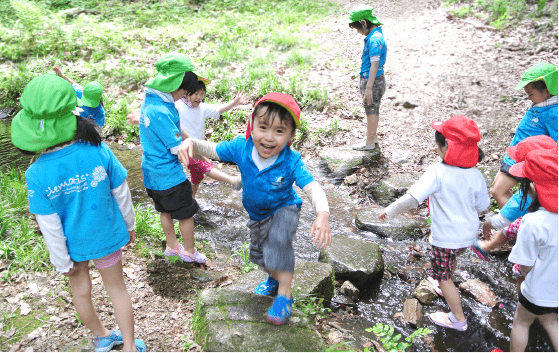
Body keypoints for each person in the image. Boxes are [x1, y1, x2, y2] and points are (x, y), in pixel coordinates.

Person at [10, 74, 145, 352]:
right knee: (117, 288)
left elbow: (49, 225)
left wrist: (61, 261)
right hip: (105, 235)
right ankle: (130, 347)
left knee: (81, 291)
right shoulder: (99, 149)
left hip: (72, 247)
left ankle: (102, 336)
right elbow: (122, 191)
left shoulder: (36, 174)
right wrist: (129, 225)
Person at [182, 92, 332, 325]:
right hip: (257, 214)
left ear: (291, 135)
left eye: (279, 131)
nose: (269, 138)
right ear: (252, 125)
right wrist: (191, 142)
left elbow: (313, 188)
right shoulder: (242, 148)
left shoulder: (291, 161)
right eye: (263, 127)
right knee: (260, 257)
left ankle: (284, 296)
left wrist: (322, 213)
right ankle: (274, 278)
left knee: (279, 245)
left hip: (285, 208)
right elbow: (212, 150)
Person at [379, 115, 490, 331]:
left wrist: (390, 210)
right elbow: (483, 206)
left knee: (443, 274)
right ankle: (444, 283)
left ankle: (458, 319)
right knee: (449, 262)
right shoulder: (476, 174)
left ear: (444, 147)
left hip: (446, 239)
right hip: (467, 237)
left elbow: (413, 198)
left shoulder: (437, 172)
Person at [139, 53, 207, 263]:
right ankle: (188, 251)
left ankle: (171, 246)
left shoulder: (150, 102)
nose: (184, 97)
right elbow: (176, 149)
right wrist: (188, 144)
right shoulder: (161, 110)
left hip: (151, 174)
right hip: (169, 176)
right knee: (186, 213)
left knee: (164, 210)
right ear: (175, 85)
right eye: (184, 92)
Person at [130, 76, 247, 198]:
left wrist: (234, 102)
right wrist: (139, 119)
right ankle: (233, 180)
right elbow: (159, 117)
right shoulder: (178, 106)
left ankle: (191, 198)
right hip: (183, 147)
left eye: (202, 93)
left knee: (197, 175)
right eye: (196, 93)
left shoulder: (202, 107)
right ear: (186, 94)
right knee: (203, 166)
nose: (199, 97)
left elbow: (218, 110)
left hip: (198, 147)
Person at [472, 135, 557, 258]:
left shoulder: (530, 191)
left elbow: (505, 218)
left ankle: (487, 247)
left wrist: (487, 225)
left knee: (513, 226)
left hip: (542, 231)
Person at [507, 149, 558, 352]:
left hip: (537, 291)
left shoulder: (534, 221)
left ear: (535, 186)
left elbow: (525, 264)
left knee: (521, 322)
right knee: (551, 321)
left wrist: (530, 280)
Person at [491, 63, 558, 208]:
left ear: (547, 91)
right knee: (498, 188)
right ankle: (524, 218)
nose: (528, 98)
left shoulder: (553, 112)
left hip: (523, 159)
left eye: (531, 94)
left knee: (498, 191)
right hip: (514, 154)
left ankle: (515, 228)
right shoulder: (542, 104)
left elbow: (555, 142)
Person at [348, 4, 387, 151]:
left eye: (358, 28)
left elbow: (375, 64)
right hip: (374, 79)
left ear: (364, 23)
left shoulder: (374, 40)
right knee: (372, 109)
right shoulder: (376, 35)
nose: (358, 32)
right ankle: (373, 138)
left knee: (371, 110)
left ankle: (369, 142)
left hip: (373, 80)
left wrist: (369, 87)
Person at [53, 65, 106, 129]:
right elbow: (72, 83)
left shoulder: (99, 112)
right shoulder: (80, 93)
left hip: (90, 127)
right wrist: (61, 75)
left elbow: (99, 127)